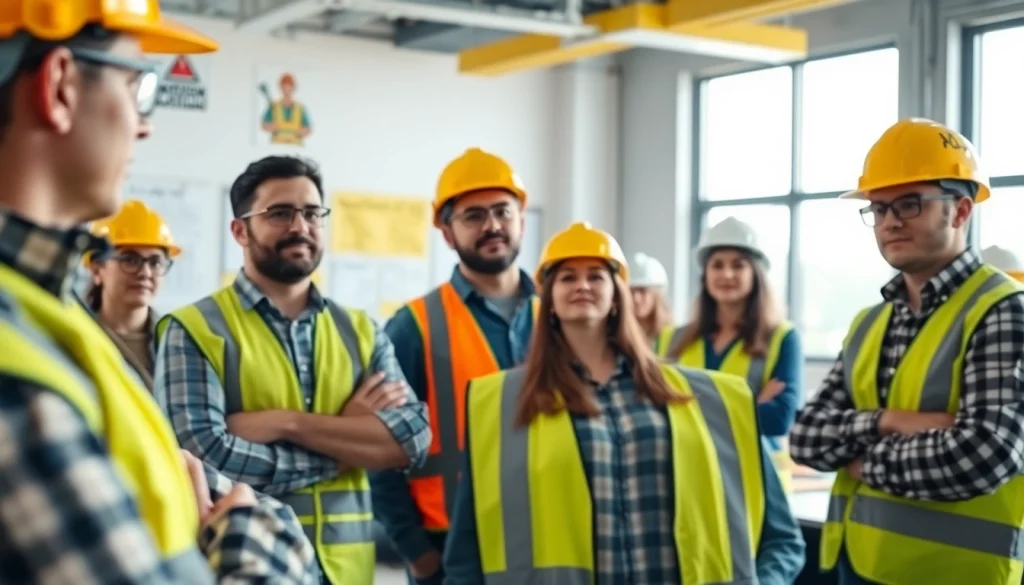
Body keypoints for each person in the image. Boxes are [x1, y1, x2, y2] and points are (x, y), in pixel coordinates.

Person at [0, 2, 317, 584]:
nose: (145, 124)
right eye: (138, 86)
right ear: (60, 86)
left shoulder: (47, 312)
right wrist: (253, 540)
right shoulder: (16, 368)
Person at [444, 221, 806, 585]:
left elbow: (782, 539)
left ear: (618, 295)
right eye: (568, 277)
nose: (582, 285)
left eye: (596, 277)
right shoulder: (504, 403)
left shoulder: (706, 399)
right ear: (548, 299)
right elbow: (464, 557)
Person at [154, 155, 431, 585]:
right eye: (280, 213)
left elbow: (410, 439)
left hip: (349, 573)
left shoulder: (360, 330)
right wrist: (345, 449)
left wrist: (288, 423)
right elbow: (207, 454)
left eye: (311, 213)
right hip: (245, 565)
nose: (300, 226)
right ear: (240, 230)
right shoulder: (192, 329)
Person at [789, 118, 1024, 585]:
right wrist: (886, 420)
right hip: (859, 565)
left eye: (910, 204)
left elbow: (983, 455)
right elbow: (806, 437)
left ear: (960, 211)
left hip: (959, 574)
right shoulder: (870, 322)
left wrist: (862, 462)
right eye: (878, 208)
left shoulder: (1002, 311)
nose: (890, 221)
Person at [373, 147, 537, 585]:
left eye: (503, 211)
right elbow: (380, 450)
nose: (492, 226)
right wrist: (417, 553)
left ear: (521, 219)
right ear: (447, 234)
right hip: (448, 546)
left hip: (550, 532)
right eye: (473, 216)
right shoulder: (413, 327)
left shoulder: (562, 319)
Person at [657, 216, 802, 491]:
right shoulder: (671, 339)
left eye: (739, 265)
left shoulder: (782, 338)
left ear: (755, 274)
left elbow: (778, 419)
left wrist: (691, 408)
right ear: (705, 275)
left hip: (755, 483)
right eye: (717, 265)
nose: (727, 274)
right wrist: (752, 404)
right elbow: (656, 409)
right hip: (689, 480)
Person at [84, 199, 179, 388]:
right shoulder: (76, 335)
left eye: (155, 262)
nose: (145, 273)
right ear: (97, 270)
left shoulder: (179, 342)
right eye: (129, 260)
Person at [628, 251, 673, 345]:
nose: (636, 298)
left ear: (658, 294)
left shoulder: (674, 337)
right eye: (630, 291)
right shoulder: (613, 336)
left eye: (642, 290)